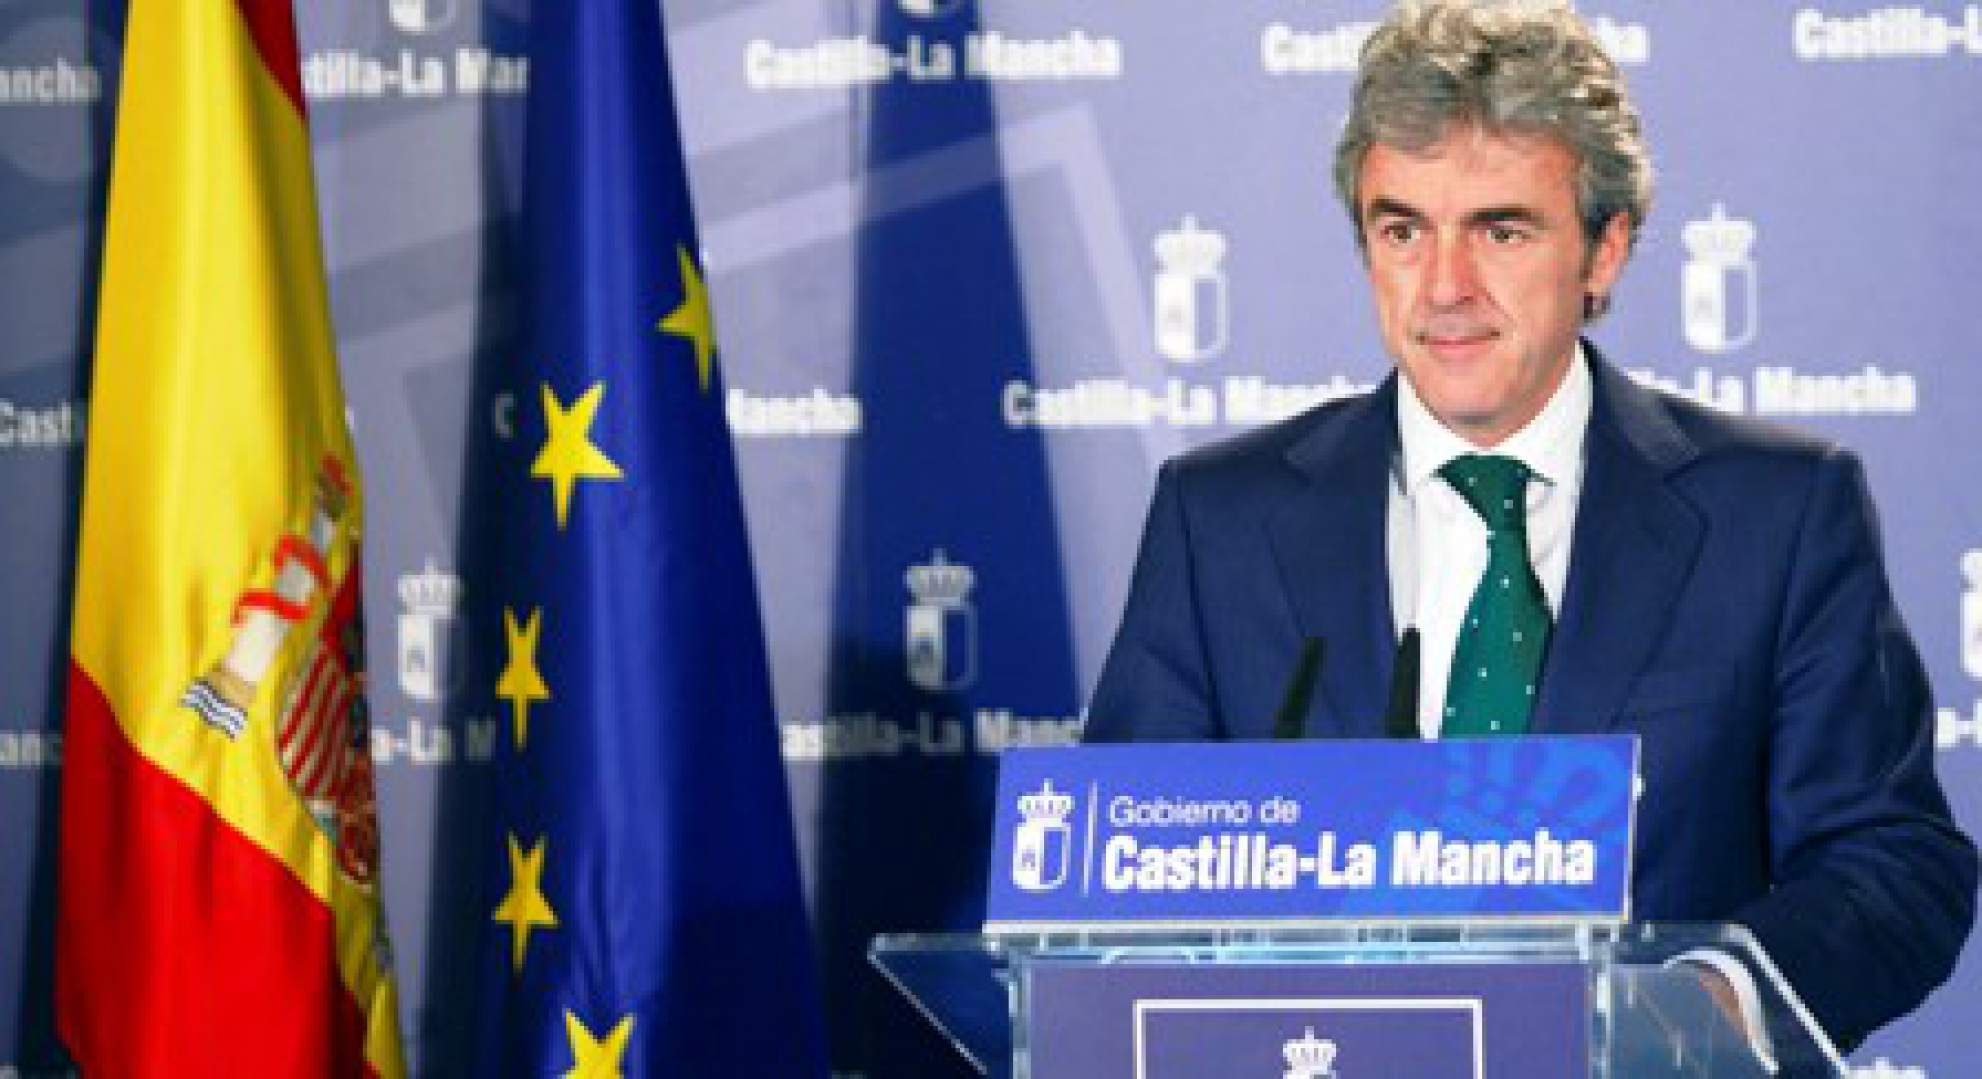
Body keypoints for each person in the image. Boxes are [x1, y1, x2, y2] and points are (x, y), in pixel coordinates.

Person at [1083, 0, 1975, 1058]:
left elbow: (1891, 863)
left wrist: (1704, 1005)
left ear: (1604, 250)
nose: (1443, 288)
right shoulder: (1220, 519)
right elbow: (1111, 887)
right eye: (1402, 231)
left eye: (1499, 231)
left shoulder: (1776, 514)